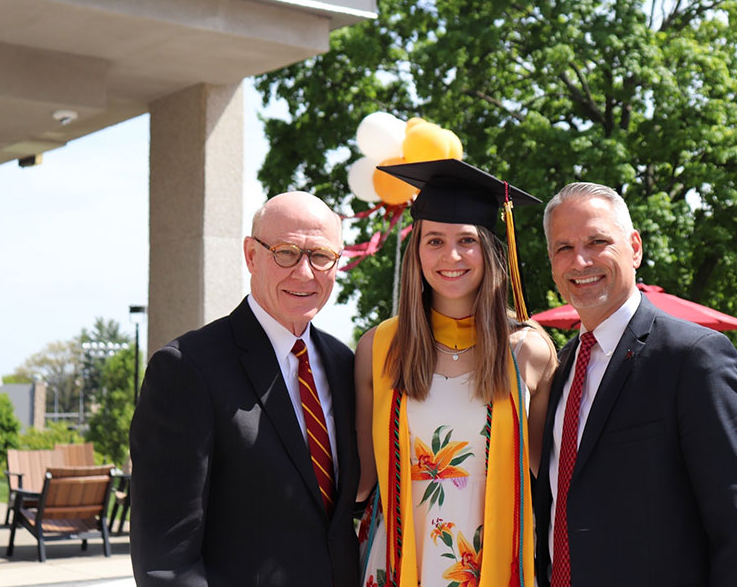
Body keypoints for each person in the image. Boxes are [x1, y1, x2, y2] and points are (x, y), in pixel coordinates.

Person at [534, 182, 737, 587]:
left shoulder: (694, 358)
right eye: (563, 248)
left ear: (635, 247)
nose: (579, 261)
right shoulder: (558, 368)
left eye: (597, 241)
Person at [130, 192, 360, 587]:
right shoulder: (188, 368)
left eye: (321, 256)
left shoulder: (344, 365)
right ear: (251, 255)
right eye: (286, 252)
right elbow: (166, 561)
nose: (305, 272)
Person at [355, 159, 556, 587]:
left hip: (493, 568)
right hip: (399, 565)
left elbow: (555, 483)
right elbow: (358, 484)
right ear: (416, 252)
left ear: (489, 248)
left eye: (467, 240)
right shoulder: (380, 348)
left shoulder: (527, 350)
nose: (451, 256)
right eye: (434, 241)